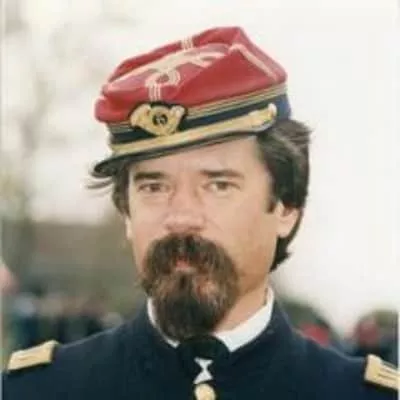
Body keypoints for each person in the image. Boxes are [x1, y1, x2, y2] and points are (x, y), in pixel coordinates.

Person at [3, 26, 398, 400]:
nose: (181, 217)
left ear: (286, 207)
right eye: (154, 187)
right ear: (126, 213)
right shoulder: (37, 391)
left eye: (218, 185)